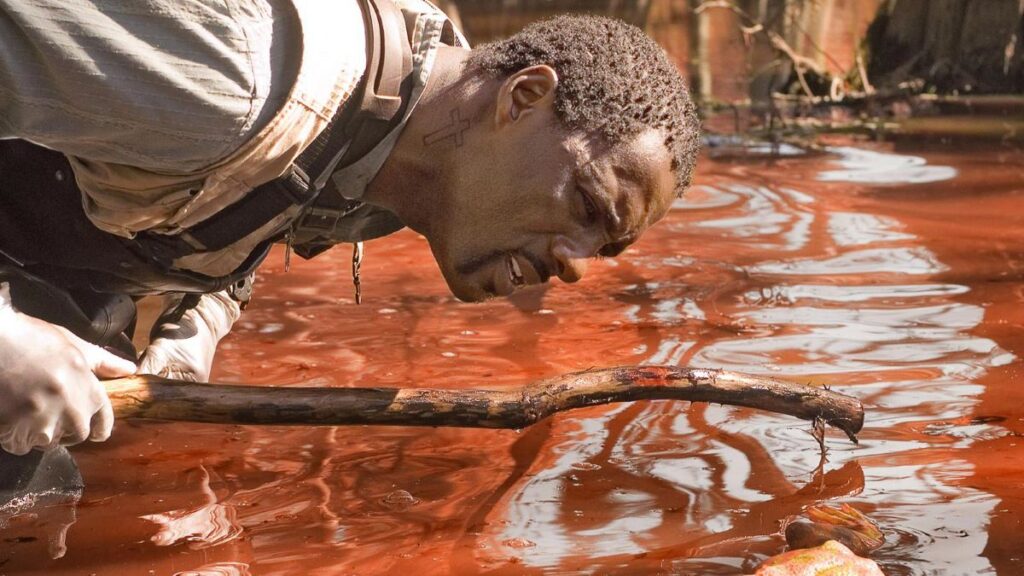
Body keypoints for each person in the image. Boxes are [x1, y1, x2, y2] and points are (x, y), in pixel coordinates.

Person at [0, 0, 700, 457]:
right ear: (524, 97)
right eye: (587, 205)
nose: (578, 267)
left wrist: (192, 336)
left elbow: (250, 212)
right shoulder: (232, 80)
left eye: (606, 249)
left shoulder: (407, 170)